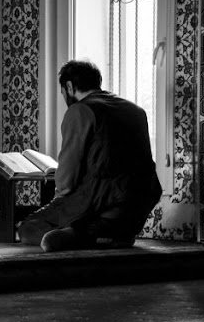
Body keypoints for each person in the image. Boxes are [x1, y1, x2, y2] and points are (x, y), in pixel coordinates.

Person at [18, 60, 162, 252]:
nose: (64, 97)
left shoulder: (80, 110)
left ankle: (86, 236)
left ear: (69, 86)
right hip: (139, 204)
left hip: (102, 199)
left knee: (28, 227)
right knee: (95, 216)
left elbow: (68, 175)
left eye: (63, 92)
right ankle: (112, 235)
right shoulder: (136, 110)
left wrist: (60, 201)